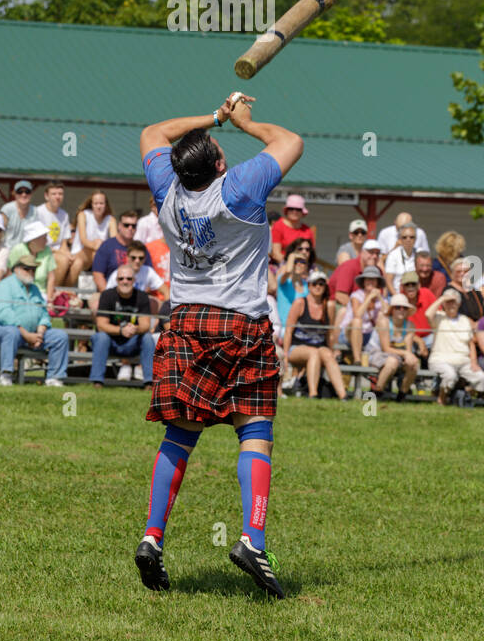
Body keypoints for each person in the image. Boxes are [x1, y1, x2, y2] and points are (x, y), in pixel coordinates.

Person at [135, 92, 303, 600]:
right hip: (241, 325)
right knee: (255, 431)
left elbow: (151, 133)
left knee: (180, 436)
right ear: (220, 163)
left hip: (186, 323)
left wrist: (213, 117)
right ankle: (253, 539)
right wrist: (244, 122)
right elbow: (291, 141)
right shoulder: (241, 187)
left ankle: (153, 536)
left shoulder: (166, 189)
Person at [0, 253, 69, 388]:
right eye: (26, 269)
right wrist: (27, 335)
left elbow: (44, 314)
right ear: (16, 269)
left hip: (31, 333)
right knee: (11, 332)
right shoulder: (5, 286)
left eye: (33, 269)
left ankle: (54, 378)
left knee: (60, 336)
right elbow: (5, 315)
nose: (30, 272)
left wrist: (40, 333)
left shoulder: (34, 289)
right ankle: (6, 375)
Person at [282, 270, 348, 400]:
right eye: (314, 283)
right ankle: (313, 394)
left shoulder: (328, 306)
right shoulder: (300, 303)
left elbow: (329, 332)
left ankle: (343, 396)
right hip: (297, 347)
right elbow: (288, 331)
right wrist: (285, 355)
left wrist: (333, 349)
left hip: (319, 346)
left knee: (328, 355)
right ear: (309, 285)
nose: (318, 286)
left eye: (321, 284)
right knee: (314, 353)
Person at [90, 266, 154, 386]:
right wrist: (121, 330)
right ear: (116, 280)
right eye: (121, 278)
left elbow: (145, 325)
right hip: (110, 342)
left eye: (129, 279)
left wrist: (135, 329)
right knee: (101, 337)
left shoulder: (142, 297)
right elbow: (101, 325)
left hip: (133, 341)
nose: (125, 281)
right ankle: (97, 382)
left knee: (147, 338)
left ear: (134, 280)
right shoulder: (107, 295)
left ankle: (150, 383)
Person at [426, 287, 484, 404]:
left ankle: (461, 395)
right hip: (441, 359)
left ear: (459, 304)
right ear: (443, 304)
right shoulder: (438, 317)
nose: (451, 305)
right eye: (448, 302)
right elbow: (428, 314)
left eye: (453, 302)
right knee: (450, 376)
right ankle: (441, 399)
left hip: (463, 360)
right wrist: (442, 298)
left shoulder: (464, 320)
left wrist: (474, 362)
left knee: (481, 378)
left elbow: (471, 344)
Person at [335, 266, 386, 367]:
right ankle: (357, 360)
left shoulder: (380, 299)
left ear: (377, 282)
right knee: (357, 321)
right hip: (349, 333)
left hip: (368, 335)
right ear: (363, 281)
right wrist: (369, 297)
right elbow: (357, 314)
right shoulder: (356, 295)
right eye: (368, 279)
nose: (370, 282)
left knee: (382, 318)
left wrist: (379, 297)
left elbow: (387, 312)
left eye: (373, 279)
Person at [69, 191, 117, 281]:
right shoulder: (83, 215)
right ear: (91, 204)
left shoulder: (111, 219)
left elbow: (114, 242)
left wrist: (101, 246)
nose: (98, 206)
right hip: (80, 252)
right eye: (96, 203)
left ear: (106, 204)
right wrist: (97, 245)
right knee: (97, 255)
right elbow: (83, 240)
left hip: (100, 253)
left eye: (101, 203)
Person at [92, 212, 142, 293]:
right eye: (126, 225)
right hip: (110, 293)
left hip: (135, 295)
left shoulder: (139, 248)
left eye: (133, 226)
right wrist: (108, 296)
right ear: (119, 226)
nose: (130, 228)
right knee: (95, 302)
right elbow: (98, 275)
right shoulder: (107, 246)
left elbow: (148, 274)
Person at [270, 196, 317, 265]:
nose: (294, 211)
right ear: (286, 210)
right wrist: (291, 265)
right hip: (281, 266)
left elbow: (311, 255)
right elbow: (276, 254)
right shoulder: (278, 226)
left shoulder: (307, 230)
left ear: (302, 212)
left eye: (298, 209)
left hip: (303, 267)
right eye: (291, 208)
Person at [0, 180, 38, 250]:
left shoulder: (35, 211)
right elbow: (0, 232)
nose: (24, 194)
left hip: (26, 252)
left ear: (31, 194)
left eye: (27, 192)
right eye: (19, 192)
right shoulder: (7, 209)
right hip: (7, 250)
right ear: (14, 193)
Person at [384, 225, 419, 294]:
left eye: (411, 237)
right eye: (404, 237)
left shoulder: (419, 253)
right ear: (400, 239)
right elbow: (388, 281)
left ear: (415, 239)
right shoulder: (393, 255)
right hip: (397, 293)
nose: (408, 240)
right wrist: (397, 297)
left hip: (415, 295)